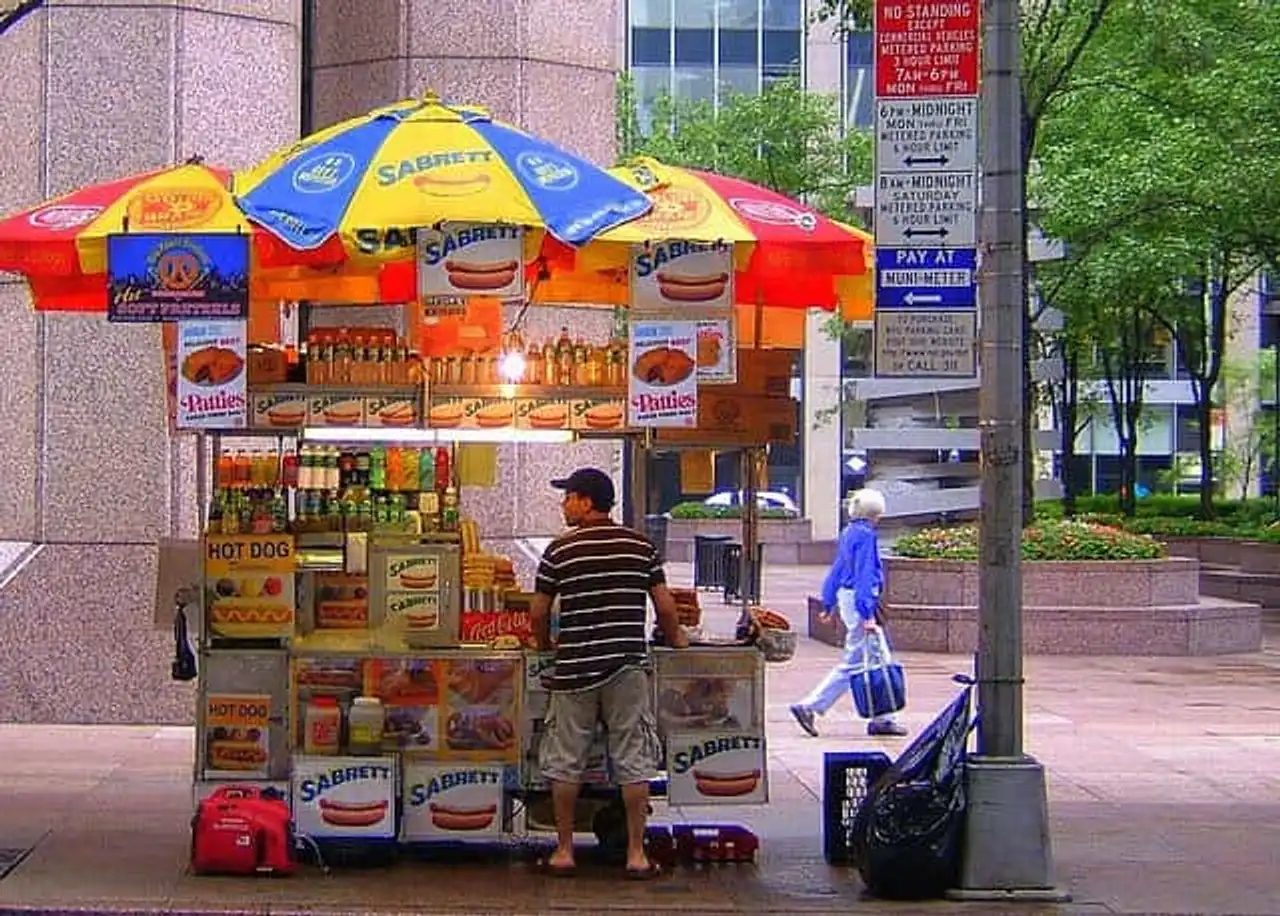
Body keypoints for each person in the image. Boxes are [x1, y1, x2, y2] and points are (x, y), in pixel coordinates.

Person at [529, 467, 689, 880]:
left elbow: (539, 611)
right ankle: (636, 854)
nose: (563, 504)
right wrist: (679, 641)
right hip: (626, 667)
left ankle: (564, 851)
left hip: (576, 668)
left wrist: (544, 646)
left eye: (568, 497)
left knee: (566, 759)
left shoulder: (560, 551)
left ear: (586, 502)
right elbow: (665, 606)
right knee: (633, 758)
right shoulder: (640, 546)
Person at [789, 487, 908, 738]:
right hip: (859, 601)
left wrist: (828, 603)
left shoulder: (848, 532)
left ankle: (882, 717)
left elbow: (837, 570)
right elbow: (865, 575)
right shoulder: (867, 536)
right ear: (875, 513)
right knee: (863, 659)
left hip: (846, 598)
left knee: (870, 657)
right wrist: (867, 614)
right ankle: (812, 706)